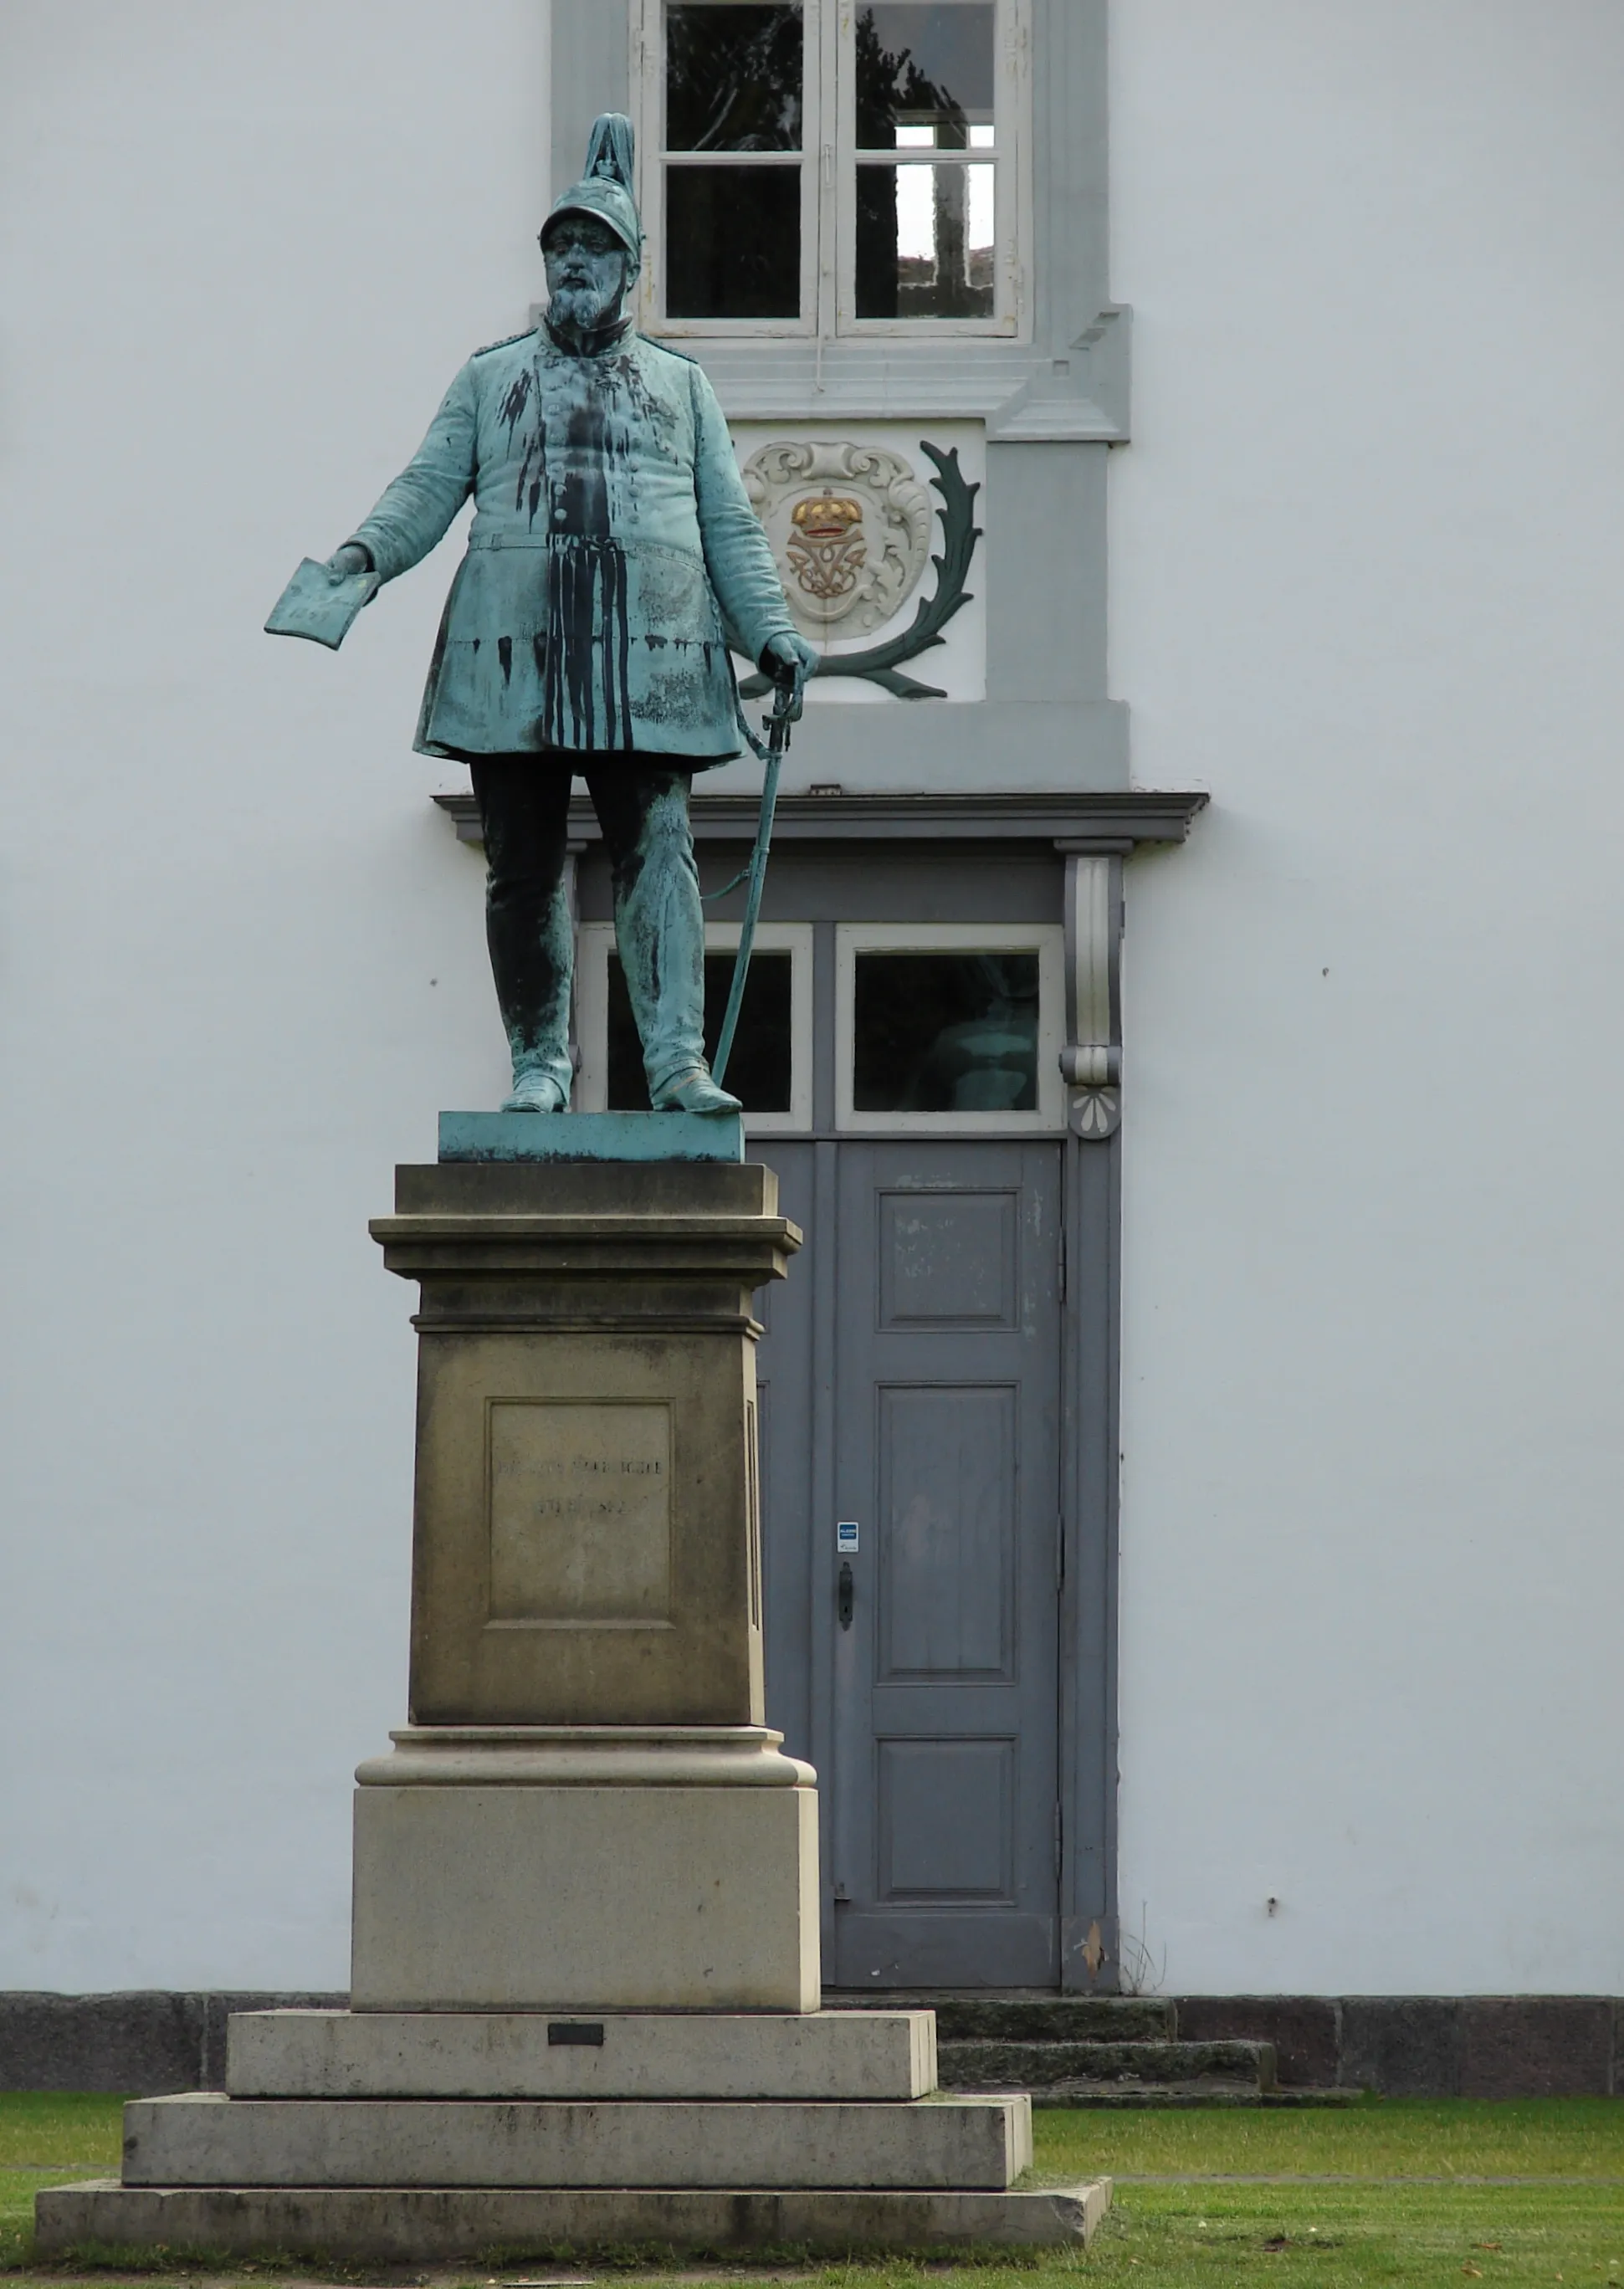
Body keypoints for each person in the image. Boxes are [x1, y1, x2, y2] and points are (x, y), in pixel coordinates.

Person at [323, 115, 817, 1113]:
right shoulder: (489, 376)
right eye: (562, 247)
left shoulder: (684, 386)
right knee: (521, 864)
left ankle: (676, 1063)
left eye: (595, 248)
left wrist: (770, 631)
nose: (575, 263)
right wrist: (362, 556)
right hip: (516, 645)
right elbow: (427, 485)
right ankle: (539, 1061)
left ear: (631, 268)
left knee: (661, 852)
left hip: (653, 644)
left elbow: (730, 525)